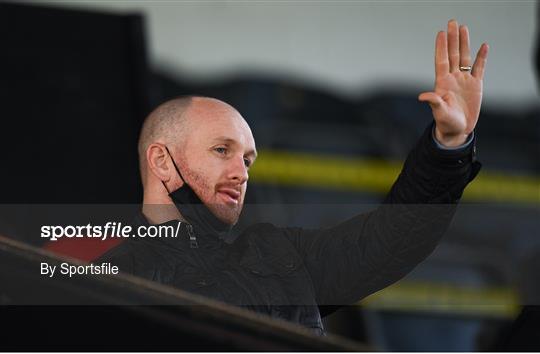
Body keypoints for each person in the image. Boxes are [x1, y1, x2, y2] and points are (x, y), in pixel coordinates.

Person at [98, 19, 488, 335]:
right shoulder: (98, 280)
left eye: (248, 161)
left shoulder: (278, 257)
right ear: (162, 162)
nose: (240, 173)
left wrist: (448, 144)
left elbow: (390, 240)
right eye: (222, 151)